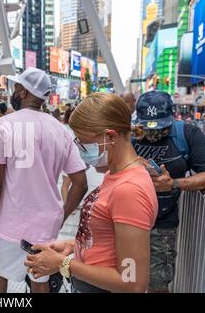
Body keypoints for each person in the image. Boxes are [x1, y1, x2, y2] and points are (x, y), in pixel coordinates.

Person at [24, 93, 159, 293]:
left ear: (111, 136)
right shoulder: (116, 175)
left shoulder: (129, 190)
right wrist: (71, 247)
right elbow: (108, 238)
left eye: (83, 142)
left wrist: (63, 264)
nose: (80, 150)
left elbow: (133, 282)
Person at [0, 67, 88, 293]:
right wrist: (60, 216)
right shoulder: (61, 130)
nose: (13, 92)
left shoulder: (3, 125)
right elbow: (81, 183)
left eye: (16, 88)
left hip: (10, 222)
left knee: (0, 274)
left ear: (24, 92)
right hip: (45, 225)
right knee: (40, 281)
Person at [132, 91, 205, 293]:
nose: (153, 133)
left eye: (160, 127)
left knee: (156, 284)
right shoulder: (129, 136)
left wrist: (173, 184)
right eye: (147, 127)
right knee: (125, 280)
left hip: (161, 225)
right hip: (126, 220)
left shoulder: (187, 135)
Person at [61, 107, 75, 205]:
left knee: (72, 183)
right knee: (66, 183)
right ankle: (67, 204)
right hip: (67, 158)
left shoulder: (70, 128)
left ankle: (70, 203)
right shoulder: (65, 128)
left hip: (73, 159)